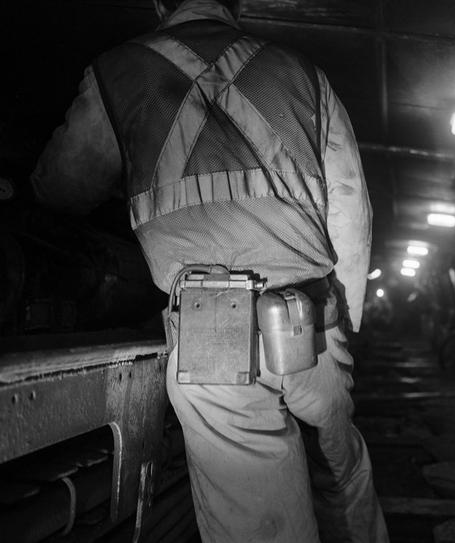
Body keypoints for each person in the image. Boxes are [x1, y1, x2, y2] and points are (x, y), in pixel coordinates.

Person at [29, 0, 390, 541]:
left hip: (214, 330)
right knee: (340, 471)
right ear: (236, 4)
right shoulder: (301, 70)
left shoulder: (119, 70)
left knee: (260, 516)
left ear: (159, 3)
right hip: (312, 315)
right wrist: (344, 317)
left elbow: (62, 186)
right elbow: (350, 207)